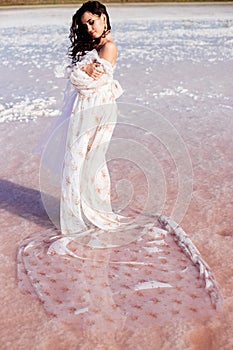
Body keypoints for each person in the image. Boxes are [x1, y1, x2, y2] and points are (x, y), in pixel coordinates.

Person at [18, 1, 223, 331]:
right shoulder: (95, 47)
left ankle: (95, 212)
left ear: (103, 16)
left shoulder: (109, 47)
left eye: (92, 21)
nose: (89, 28)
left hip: (97, 112)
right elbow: (79, 79)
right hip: (87, 110)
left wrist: (80, 74)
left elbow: (86, 82)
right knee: (77, 164)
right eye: (84, 24)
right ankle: (84, 212)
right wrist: (80, 73)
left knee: (90, 163)